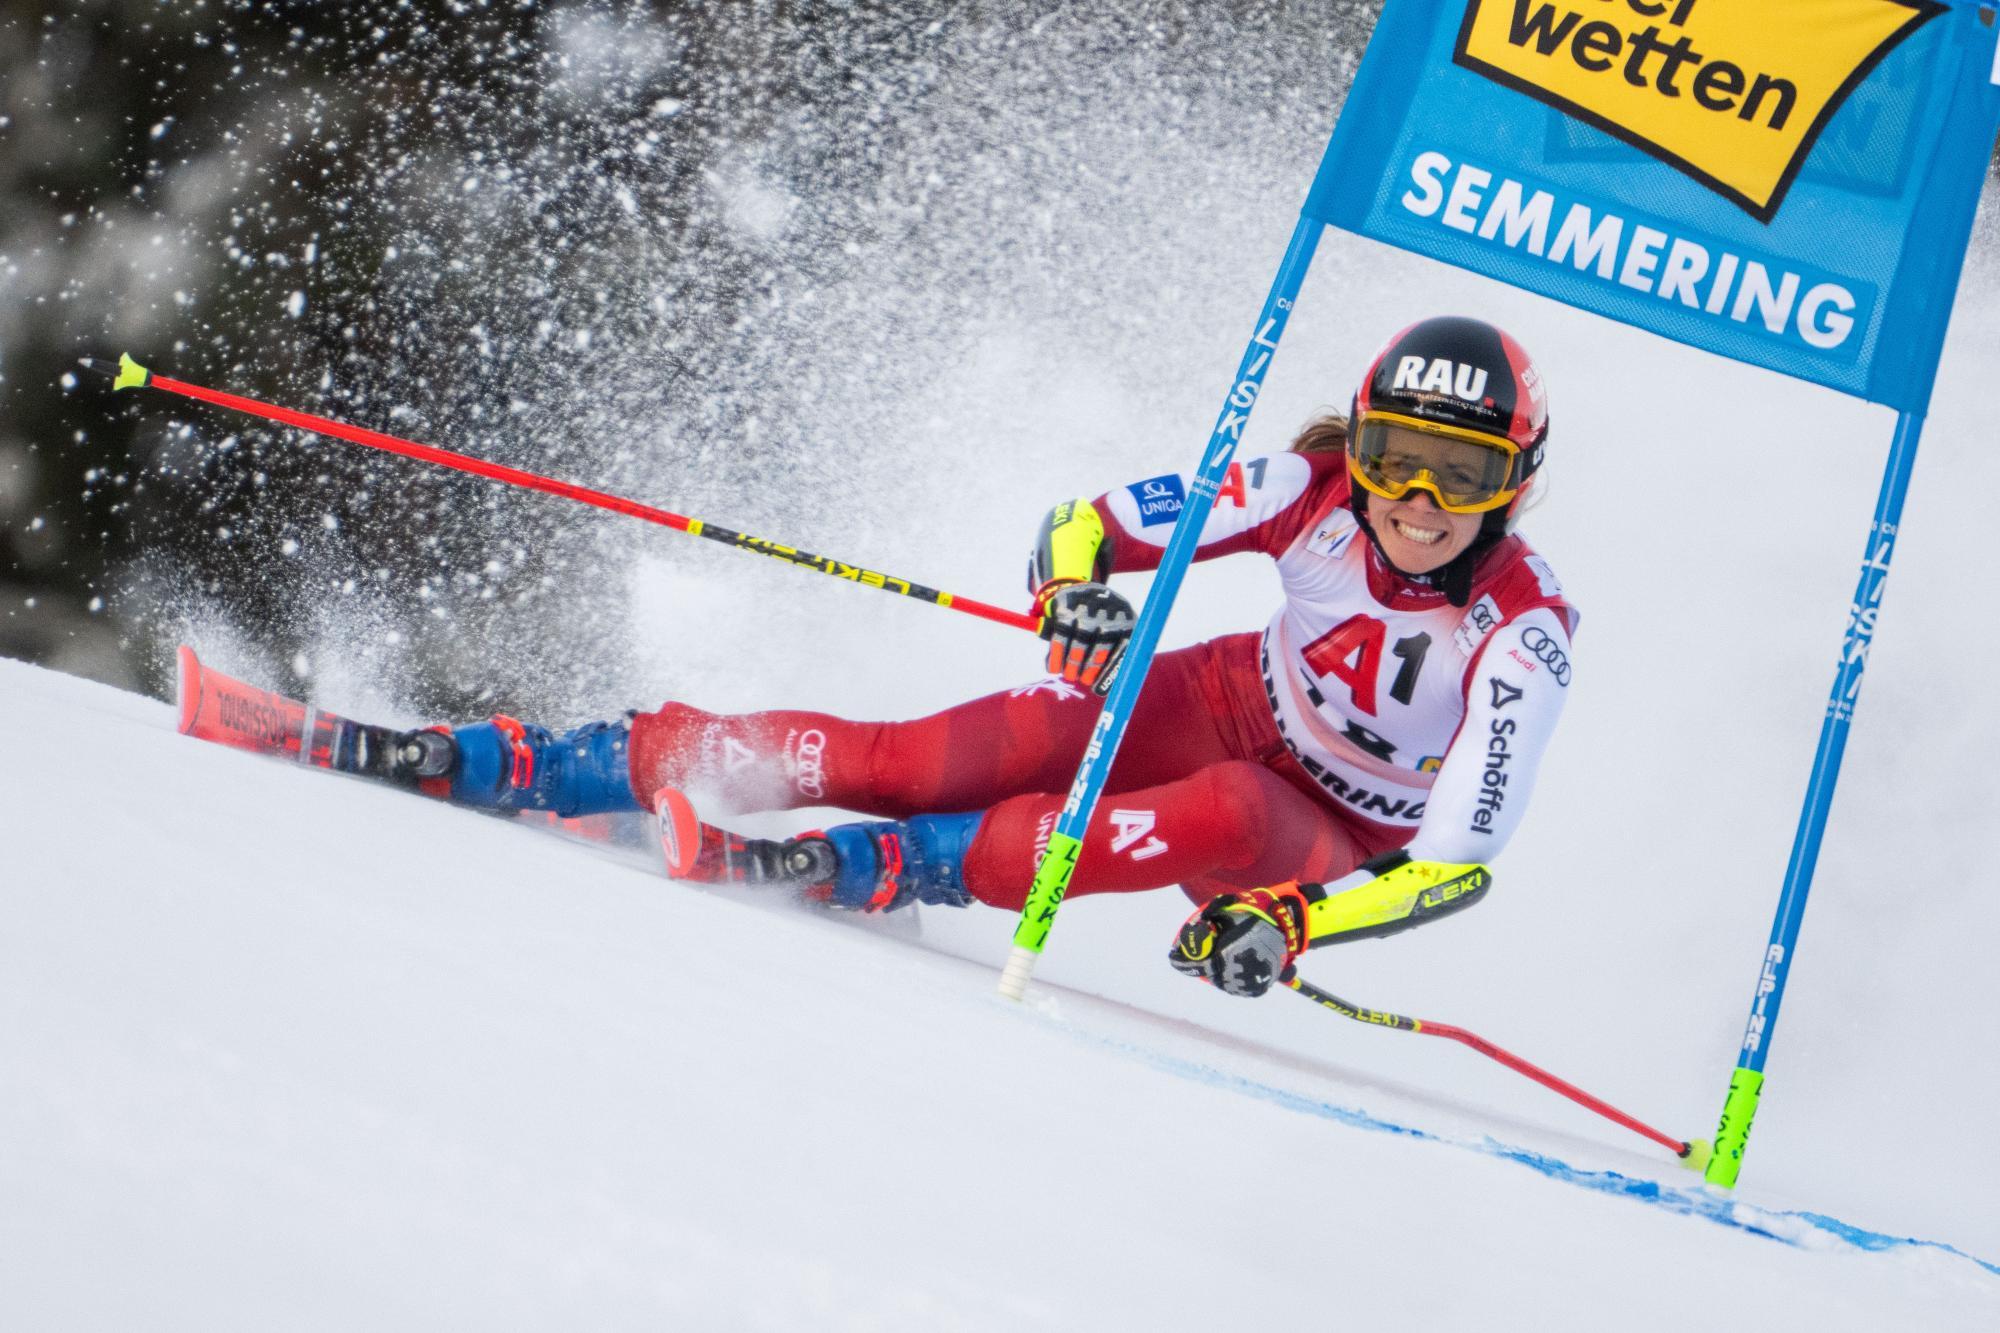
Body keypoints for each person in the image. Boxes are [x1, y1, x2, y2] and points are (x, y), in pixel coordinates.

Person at [384, 315, 1576, 998]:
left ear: (1513, 485)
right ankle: (573, 759)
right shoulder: (1301, 490)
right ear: (1357, 442)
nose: (1416, 498)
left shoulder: (1521, 631)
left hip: (1316, 839)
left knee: (1225, 807)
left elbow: (1455, 864)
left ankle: (886, 869)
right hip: (1217, 695)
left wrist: (1292, 924)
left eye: (1461, 474)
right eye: (1392, 455)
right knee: (927, 756)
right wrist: (1074, 598)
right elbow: (1085, 525)